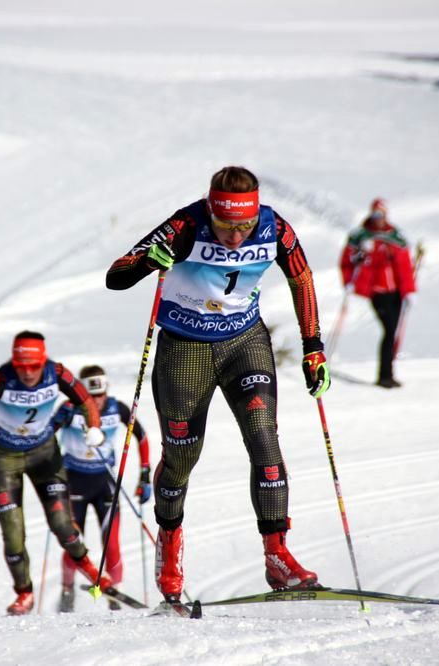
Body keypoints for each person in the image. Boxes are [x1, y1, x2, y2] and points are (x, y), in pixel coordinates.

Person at [105, 165, 330, 605]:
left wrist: (313, 346)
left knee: (264, 439)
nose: (235, 237)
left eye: (244, 226)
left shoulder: (275, 228)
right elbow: (117, 275)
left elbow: (301, 278)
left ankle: (277, 554)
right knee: (182, 456)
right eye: (226, 227)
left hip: (244, 342)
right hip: (185, 351)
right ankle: (169, 541)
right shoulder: (186, 224)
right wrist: (152, 260)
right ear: (212, 212)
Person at [0, 331, 115, 615]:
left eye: (34, 366)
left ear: (43, 360)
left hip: (44, 456)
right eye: (21, 367)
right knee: (13, 535)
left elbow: (86, 400)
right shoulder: (1, 378)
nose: (27, 373)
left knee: (63, 525)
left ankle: (88, 566)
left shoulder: (57, 373)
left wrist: (95, 427)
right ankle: (24, 593)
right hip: (4, 460)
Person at [50, 364, 153, 613]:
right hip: (72, 482)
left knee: (113, 547)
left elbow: (142, 436)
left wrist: (145, 475)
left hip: (105, 484)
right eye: (90, 396)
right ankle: (67, 590)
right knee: (74, 544)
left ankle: (113, 595)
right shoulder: (68, 409)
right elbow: (45, 437)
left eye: (100, 394)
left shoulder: (117, 409)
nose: (96, 401)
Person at [338, 198, 416, 388]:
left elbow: (404, 266)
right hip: (377, 292)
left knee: (393, 332)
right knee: (389, 331)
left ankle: (389, 373)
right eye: (375, 215)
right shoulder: (360, 237)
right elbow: (348, 262)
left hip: (395, 292)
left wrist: (409, 290)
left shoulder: (395, 236)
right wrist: (350, 280)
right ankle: (384, 376)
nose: (378, 218)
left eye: (381, 215)